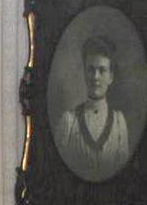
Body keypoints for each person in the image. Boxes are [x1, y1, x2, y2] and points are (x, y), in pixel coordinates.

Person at [54, 35, 132, 181]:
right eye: (91, 69)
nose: (95, 77)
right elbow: (57, 174)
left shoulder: (119, 122)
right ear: (84, 73)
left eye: (102, 70)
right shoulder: (69, 121)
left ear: (111, 77)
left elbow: (124, 177)